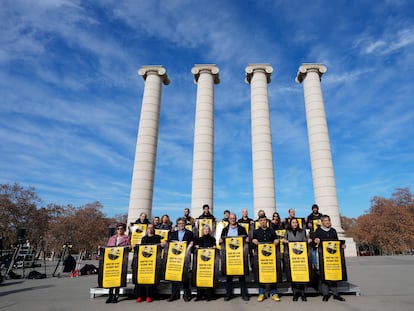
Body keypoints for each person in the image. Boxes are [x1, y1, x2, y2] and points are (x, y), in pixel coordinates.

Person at [312, 215, 346, 302]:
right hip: (322, 257)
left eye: (328, 220)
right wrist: (315, 240)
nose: (327, 222)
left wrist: (342, 245)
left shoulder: (333, 230)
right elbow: (314, 241)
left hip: (333, 257)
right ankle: (325, 294)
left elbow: (336, 242)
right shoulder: (318, 231)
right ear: (322, 222)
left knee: (334, 274)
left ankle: (335, 294)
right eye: (325, 221)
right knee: (323, 274)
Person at [220, 213, 249, 301]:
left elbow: (246, 239)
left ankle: (244, 294)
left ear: (236, 219)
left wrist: (247, 239)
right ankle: (228, 294)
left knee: (241, 275)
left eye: (234, 218)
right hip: (229, 256)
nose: (233, 220)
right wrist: (221, 240)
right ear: (229, 219)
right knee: (229, 277)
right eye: (231, 218)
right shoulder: (225, 229)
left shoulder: (242, 228)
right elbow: (222, 240)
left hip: (239, 255)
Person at [252, 215, 281, 302]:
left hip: (270, 256)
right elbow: (252, 241)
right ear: (259, 222)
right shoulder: (255, 231)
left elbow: (276, 239)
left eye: (264, 220)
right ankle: (261, 293)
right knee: (260, 273)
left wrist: (277, 241)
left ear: (267, 221)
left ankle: (274, 293)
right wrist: (253, 240)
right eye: (261, 220)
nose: (263, 222)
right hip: (260, 256)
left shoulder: (271, 231)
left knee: (272, 272)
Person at [134, 223, 166, 303]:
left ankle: (149, 296)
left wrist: (162, 245)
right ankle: (140, 296)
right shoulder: (143, 238)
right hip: (144, 261)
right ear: (147, 229)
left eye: (152, 228)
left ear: (153, 229)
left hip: (153, 261)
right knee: (141, 279)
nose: (150, 229)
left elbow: (159, 249)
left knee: (150, 280)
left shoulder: (157, 237)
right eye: (149, 228)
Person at [284, 217, 312, 301]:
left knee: (302, 274)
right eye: (293, 222)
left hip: (301, 255)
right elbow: (284, 239)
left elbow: (304, 240)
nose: (295, 224)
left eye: (296, 222)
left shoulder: (302, 231)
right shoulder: (287, 231)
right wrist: (285, 241)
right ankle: (295, 293)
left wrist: (308, 241)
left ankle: (303, 293)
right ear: (290, 223)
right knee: (294, 274)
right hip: (292, 255)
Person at [167, 217, 194, 302]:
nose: (181, 225)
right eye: (179, 223)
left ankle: (186, 295)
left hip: (185, 257)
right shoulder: (173, 233)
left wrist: (192, 244)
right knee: (174, 276)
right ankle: (174, 295)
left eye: (182, 223)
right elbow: (169, 243)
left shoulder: (190, 233)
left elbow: (192, 243)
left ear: (185, 224)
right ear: (177, 225)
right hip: (175, 258)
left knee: (185, 276)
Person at [105, 223, 130, 303]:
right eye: (118, 228)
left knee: (118, 278)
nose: (120, 230)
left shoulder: (127, 238)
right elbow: (108, 247)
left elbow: (128, 248)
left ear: (124, 229)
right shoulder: (112, 238)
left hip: (121, 260)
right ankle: (110, 295)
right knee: (111, 276)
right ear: (117, 230)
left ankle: (116, 295)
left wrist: (129, 247)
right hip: (112, 260)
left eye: (121, 228)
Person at [194, 224, 216, 301]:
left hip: (209, 262)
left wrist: (214, 247)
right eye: (204, 229)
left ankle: (209, 295)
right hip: (200, 262)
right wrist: (196, 247)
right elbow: (195, 249)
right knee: (200, 277)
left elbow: (215, 247)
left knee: (209, 277)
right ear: (202, 231)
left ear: (209, 231)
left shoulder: (213, 239)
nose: (206, 230)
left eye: (207, 229)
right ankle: (199, 295)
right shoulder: (198, 239)